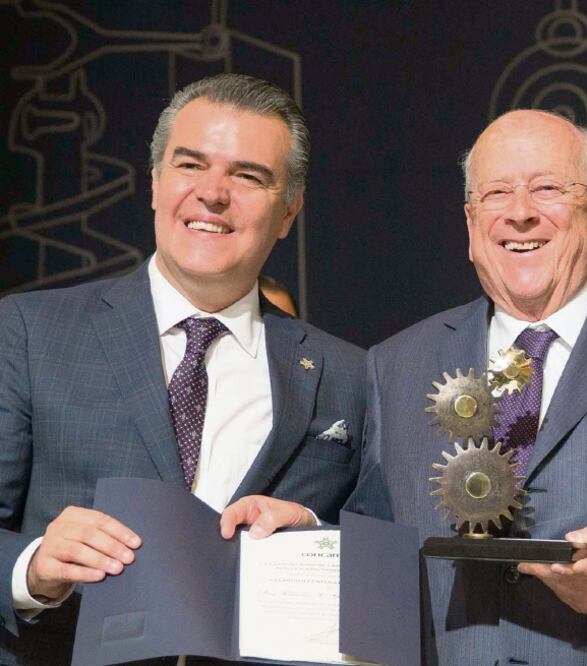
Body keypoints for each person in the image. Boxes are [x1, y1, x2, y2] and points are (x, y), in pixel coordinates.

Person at [228, 109, 587, 664]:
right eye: (496, 193)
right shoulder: (396, 365)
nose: (520, 213)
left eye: (547, 188)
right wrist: (308, 535)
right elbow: (383, 549)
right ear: (472, 226)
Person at [0, 73, 365, 664]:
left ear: (289, 210)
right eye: (191, 165)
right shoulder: (28, 332)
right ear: (155, 183)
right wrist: (31, 567)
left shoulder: (348, 374)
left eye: (248, 176)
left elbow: (384, 557)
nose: (213, 194)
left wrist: (317, 531)